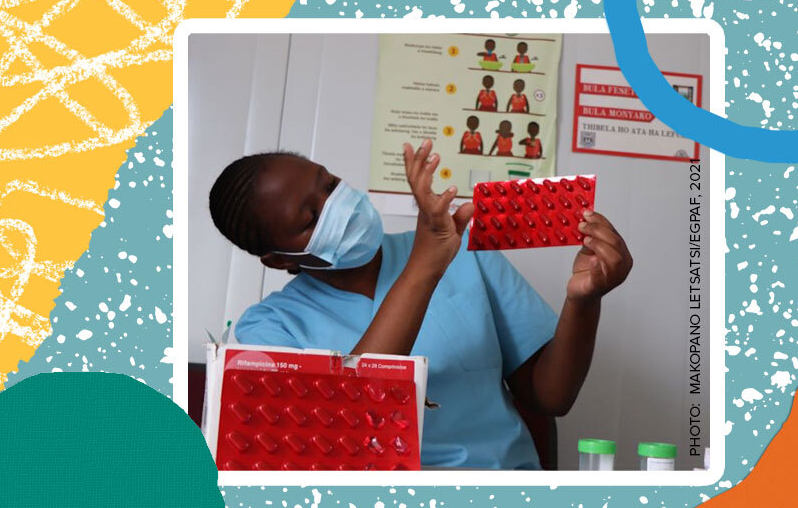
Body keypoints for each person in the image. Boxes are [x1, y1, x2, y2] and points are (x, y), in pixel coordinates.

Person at [208, 140, 633, 469]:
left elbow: (551, 396)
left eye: (329, 185)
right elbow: (345, 435)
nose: (336, 207)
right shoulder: (267, 332)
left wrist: (583, 300)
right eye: (311, 219)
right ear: (279, 260)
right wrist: (425, 266)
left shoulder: (463, 250)